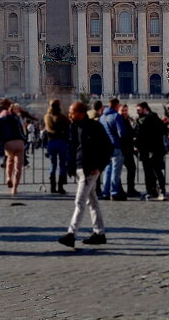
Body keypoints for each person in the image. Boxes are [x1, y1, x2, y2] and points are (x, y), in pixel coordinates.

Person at [59, 102, 113, 248]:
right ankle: (99, 233)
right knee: (92, 202)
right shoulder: (73, 126)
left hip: (90, 170)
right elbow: (72, 148)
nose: (69, 115)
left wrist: (100, 166)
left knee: (80, 202)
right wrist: (70, 167)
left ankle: (71, 234)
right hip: (79, 168)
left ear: (81, 113)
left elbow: (108, 147)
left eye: (72, 112)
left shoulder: (95, 127)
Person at [135, 102, 167, 201]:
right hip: (152, 149)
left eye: (138, 110)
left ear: (145, 109)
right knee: (153, 171)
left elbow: (139, 134)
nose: (137, 112)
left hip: (150, 149)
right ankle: (156, 190)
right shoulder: (154, 118)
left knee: (153, 171)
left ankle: (155, 190)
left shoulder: (146, 119)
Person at [99, 98, 128, 201]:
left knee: (108, 170)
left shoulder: (102, 117)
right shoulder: (116, 116)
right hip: (116, 146)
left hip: (106, 147)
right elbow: (122, 133)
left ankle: (105, 192)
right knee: (116, 170)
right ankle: (114, 192)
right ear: (116, 106)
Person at [43, 99, 70, 195]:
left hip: (51, 143)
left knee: (52, 165)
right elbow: (68, 126)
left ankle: (52, 187)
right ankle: (60, 187)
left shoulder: (46, 117)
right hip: (61, 142)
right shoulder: (62, 117)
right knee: (62, 165)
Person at [0, 107, 27, 195]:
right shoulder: (16, 119)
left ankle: (8, 177)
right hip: (19, 142)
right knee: (18, 167)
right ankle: (14, 189)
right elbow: (22, 131)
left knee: (9, 159)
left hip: (8, 142)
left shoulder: (1, 121)